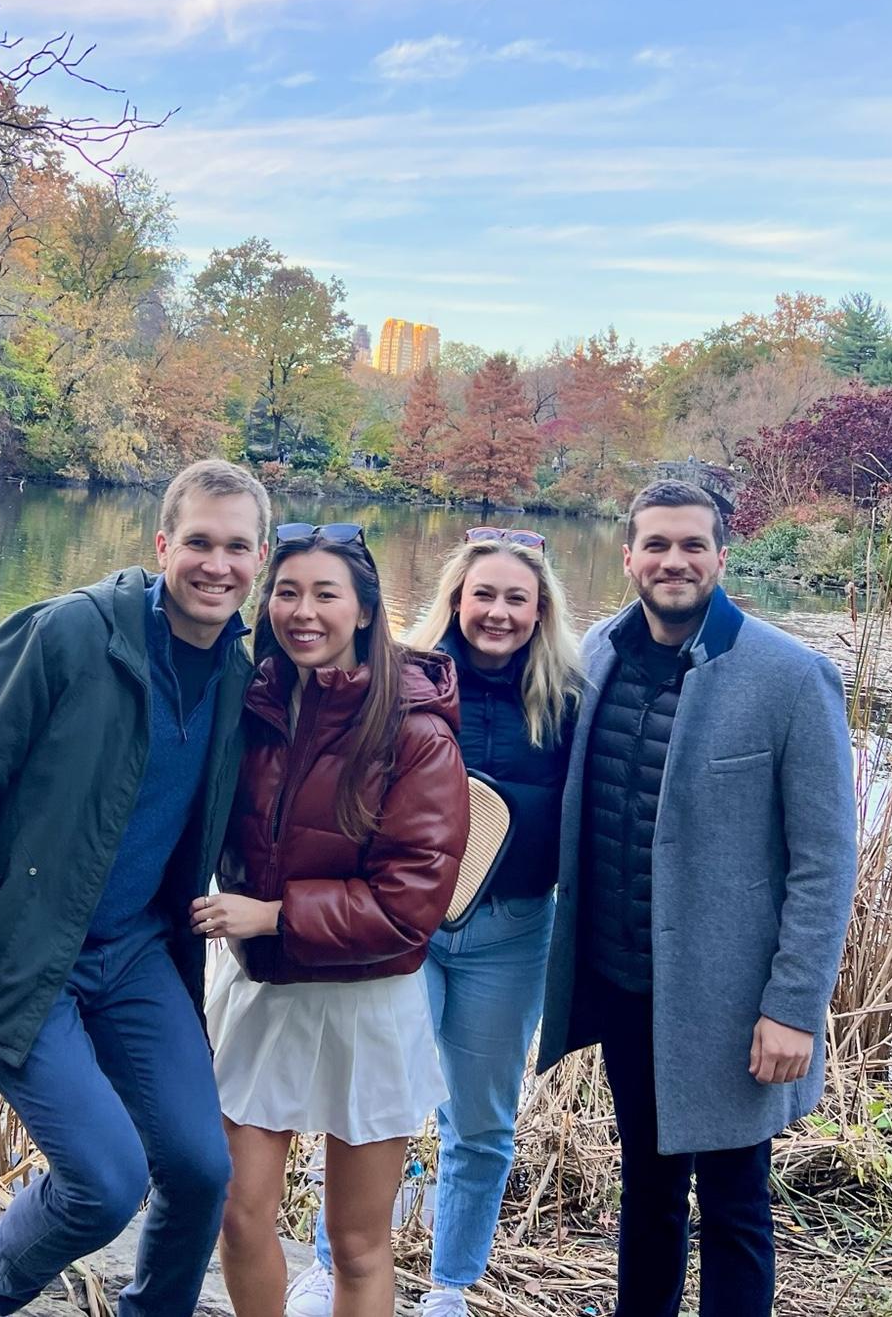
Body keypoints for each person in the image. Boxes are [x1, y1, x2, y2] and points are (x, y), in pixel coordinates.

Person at [0, 459, 271, 1317]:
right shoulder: (67, 635)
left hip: (137, 955)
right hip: (27, 958)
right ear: (163, 544)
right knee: (104, 1180)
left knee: (202, 1167)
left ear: (259, 560)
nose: (218, 565)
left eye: (238, 547)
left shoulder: (246, 674)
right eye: (201, 543)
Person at [537, 479, 858, 1317]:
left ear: (721, 554)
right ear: (629, 555)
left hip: (732, 1004)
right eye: (656, 545)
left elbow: (825, 863)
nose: (672, 561)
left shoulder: (791, 677)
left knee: (734, 1206)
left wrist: (794, 1005)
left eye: (691, 545)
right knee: (644, 1190)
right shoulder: (594, 656)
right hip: (624, 986)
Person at [291, 527, 583, 1317]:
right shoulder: (402, 682)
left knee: (480, 1121)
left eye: (515, 598)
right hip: (404, 932)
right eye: (482, 593)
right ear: (456, 598)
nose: (496, 611)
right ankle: (331, 1265)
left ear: (540, 609)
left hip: (513, 935)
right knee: (371, 1102)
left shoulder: (568, 701)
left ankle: (451, 1285)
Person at [190, 523, 469, 1317]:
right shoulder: (249, 703)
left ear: (365, 608)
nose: (301, 612)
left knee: (355, 1242)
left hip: (366, 1005)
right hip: (264, 992)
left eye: (324, 594)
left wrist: (273, 914)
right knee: (239, 1213)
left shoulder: (416, 731)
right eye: (286, 591)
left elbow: (411, 908)